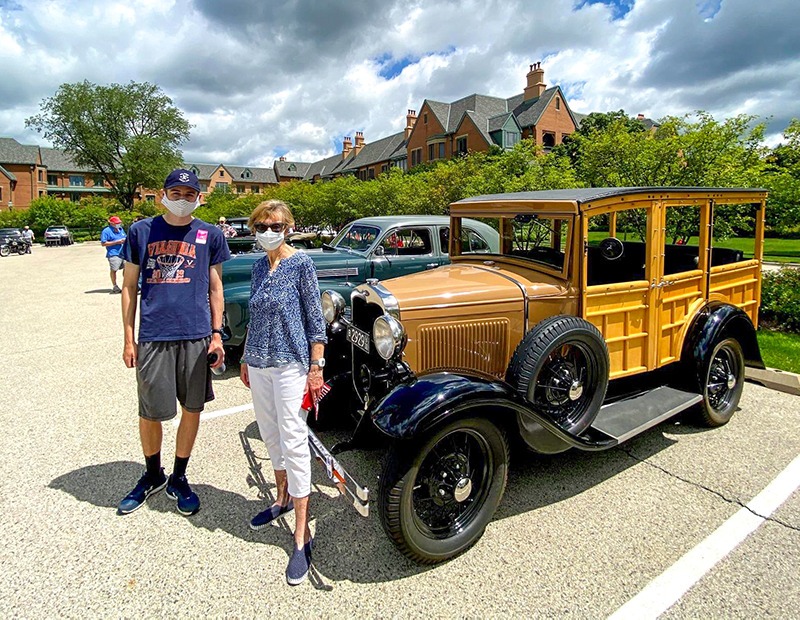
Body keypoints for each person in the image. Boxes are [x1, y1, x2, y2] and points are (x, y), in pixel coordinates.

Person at [117, 169, 231, 517]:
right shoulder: (141, 231)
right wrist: (128, 338)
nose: (182, 198)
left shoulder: (209, 234)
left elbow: (215, 288)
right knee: (150, 412)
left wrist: (216, 334)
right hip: (154, 334)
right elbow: (129, 287)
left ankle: (179, 477)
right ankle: (152, 474)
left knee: (192, 408)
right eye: (175, 191)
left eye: (189, 193)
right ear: (163, 193)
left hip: (196, 335)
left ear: (199, 197)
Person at [240, 199, 326, 586]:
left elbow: (315, 319)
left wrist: (316, 367)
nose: (267, 231)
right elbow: (256, 315)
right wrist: (244, 357)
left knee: (293, 439)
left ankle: (301, 532)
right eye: (261, 226)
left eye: (274, 225)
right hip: (258, 363)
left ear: (288, 227)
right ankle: (282, 498)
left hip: (292, 364)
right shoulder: (260, 266)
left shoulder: (301, 264)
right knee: (270, 433)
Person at [101, 216, 127, 293]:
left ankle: (126, 284)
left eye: (119, 223)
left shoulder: (121, 229)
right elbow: (103, 243)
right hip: (114, 253)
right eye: (117, 223)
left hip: (124, 252)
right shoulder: (106, 231)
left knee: (127, 268)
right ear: (111, 223)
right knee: (114, 269)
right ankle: (115, 286)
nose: (118, 224)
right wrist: (116, 242)